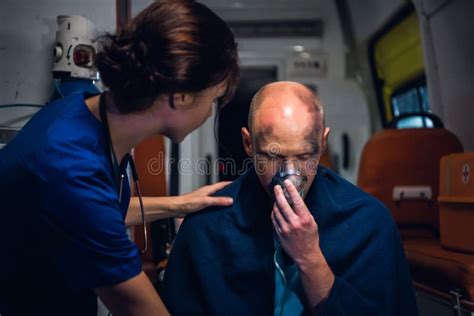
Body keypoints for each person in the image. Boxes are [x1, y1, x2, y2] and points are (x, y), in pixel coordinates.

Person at [0, 1, 239, 315]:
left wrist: (181, 204)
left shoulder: (81, 110)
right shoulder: (69, 166)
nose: (210, 112)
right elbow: (139, 308)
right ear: (180, 95)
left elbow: (94, 214)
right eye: (213, 99)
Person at [161, 81, 418, 315]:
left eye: (306, 156)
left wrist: (310, 259)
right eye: (273, 157)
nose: (289, 177)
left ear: (323, 141)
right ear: (248, 143)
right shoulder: (206, 225)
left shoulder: (369, 220)